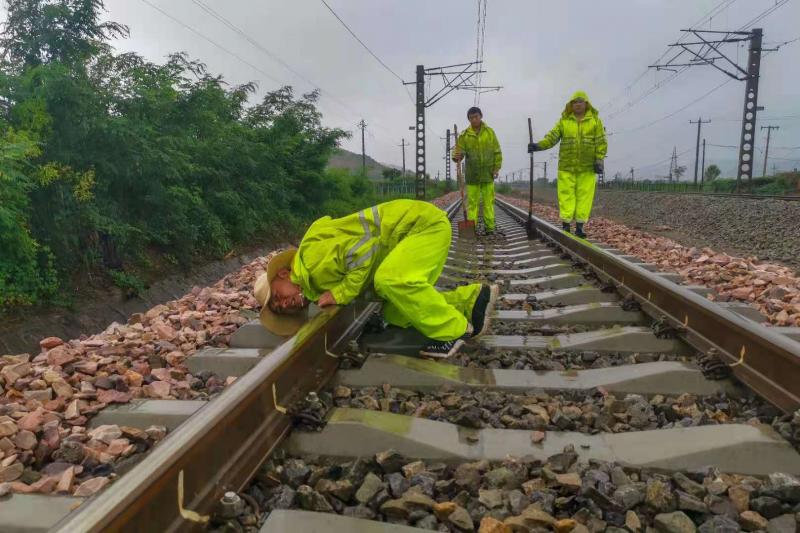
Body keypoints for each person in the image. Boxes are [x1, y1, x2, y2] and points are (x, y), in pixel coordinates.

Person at [253, 199, 499, 358]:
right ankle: (471, 300)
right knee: (395, 312)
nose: (285, 305)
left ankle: (454, 331)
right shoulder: (313, 282)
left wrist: (340, 293)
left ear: (284, 274)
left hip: (420, 227)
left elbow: (362, 251)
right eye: (281, 310)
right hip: (410, 238)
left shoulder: (310, 261)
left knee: (390, 280)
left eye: (277, 297)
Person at [528, 90, 607, 238]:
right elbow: (552, 138)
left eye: (580, 101)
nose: (578, 104)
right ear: (571, 105)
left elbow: (601, 141)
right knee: (566, 196)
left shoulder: (595, 121)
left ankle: (580, 227)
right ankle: (565, 225)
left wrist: (599, 159)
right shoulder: (564, 122)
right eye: (575, 102)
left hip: (587, 168)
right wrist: (538, 146)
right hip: (566, 167)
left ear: (586, 104)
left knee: (584, 197)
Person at [453, 106, 503, 234]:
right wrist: (456, 156)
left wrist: (496, 168)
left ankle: (490, 229)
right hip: (472, 175)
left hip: (488, 174)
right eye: (471, 118)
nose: (474, 120)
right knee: (472, 204)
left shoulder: (490, 132)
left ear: (481, 116)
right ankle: (472, 229)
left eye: (476, 117)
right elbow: (458, 151)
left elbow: (497, 151)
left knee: (488, 203)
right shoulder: (464, 135)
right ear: (468, 119)